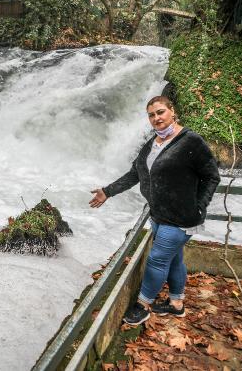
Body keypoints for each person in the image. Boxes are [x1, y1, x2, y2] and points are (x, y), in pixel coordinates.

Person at [89, 95, 220, 325]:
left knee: (157, 260)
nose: (156, 118)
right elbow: (134, 174)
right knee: (175, 259)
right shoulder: (152, 143)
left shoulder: (191, 142)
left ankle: (143, 304)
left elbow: (212, 176)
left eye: (160, 112)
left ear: (172, 111)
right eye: (151, 114)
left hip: (180, 218)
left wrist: (200, 206)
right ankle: (176, 304)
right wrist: (107, 191)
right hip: (158, 214)